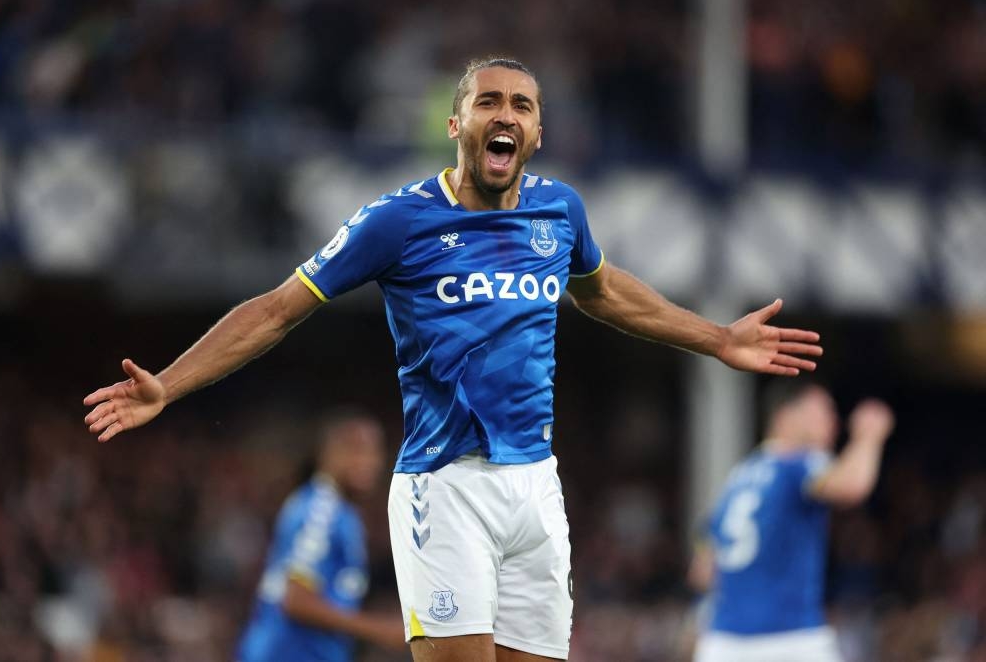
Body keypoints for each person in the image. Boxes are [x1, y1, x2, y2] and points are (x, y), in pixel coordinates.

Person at [84, 56, 823, 662]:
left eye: (523, 106)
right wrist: (169, 387)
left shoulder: (558, 212)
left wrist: (718, 339)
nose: (506, 115)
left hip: (537, 486)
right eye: (489, 102)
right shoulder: (398, 221)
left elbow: (605, 294)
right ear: (457, 123)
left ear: (536, 132)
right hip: (445, 487)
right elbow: (278, 310)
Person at [688, 381, 894, 662]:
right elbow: (851, 486)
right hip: (791, 638)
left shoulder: (739, 477)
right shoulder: (797, 462)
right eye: (822, 411)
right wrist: (869, 436)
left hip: (723, 642)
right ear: (785, 415)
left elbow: (701, 572)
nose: (833, 421)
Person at [236, 409, 404, 661]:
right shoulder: (320, 511)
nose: (368, 460)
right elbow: (295, 600)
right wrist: (380, 630)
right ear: (327, 453)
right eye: (355, 448)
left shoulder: (344, 513)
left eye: (374, 450)